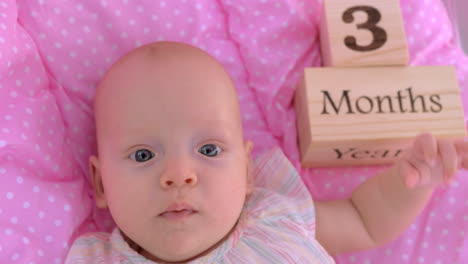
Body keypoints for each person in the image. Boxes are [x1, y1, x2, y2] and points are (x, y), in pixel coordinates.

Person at [65, 41, 468, 263]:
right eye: (142, 156)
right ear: (101, 183)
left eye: (208, 149)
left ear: (247, 171)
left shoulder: (273, 218)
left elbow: (365, 220)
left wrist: (412, 182)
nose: (178, 174)